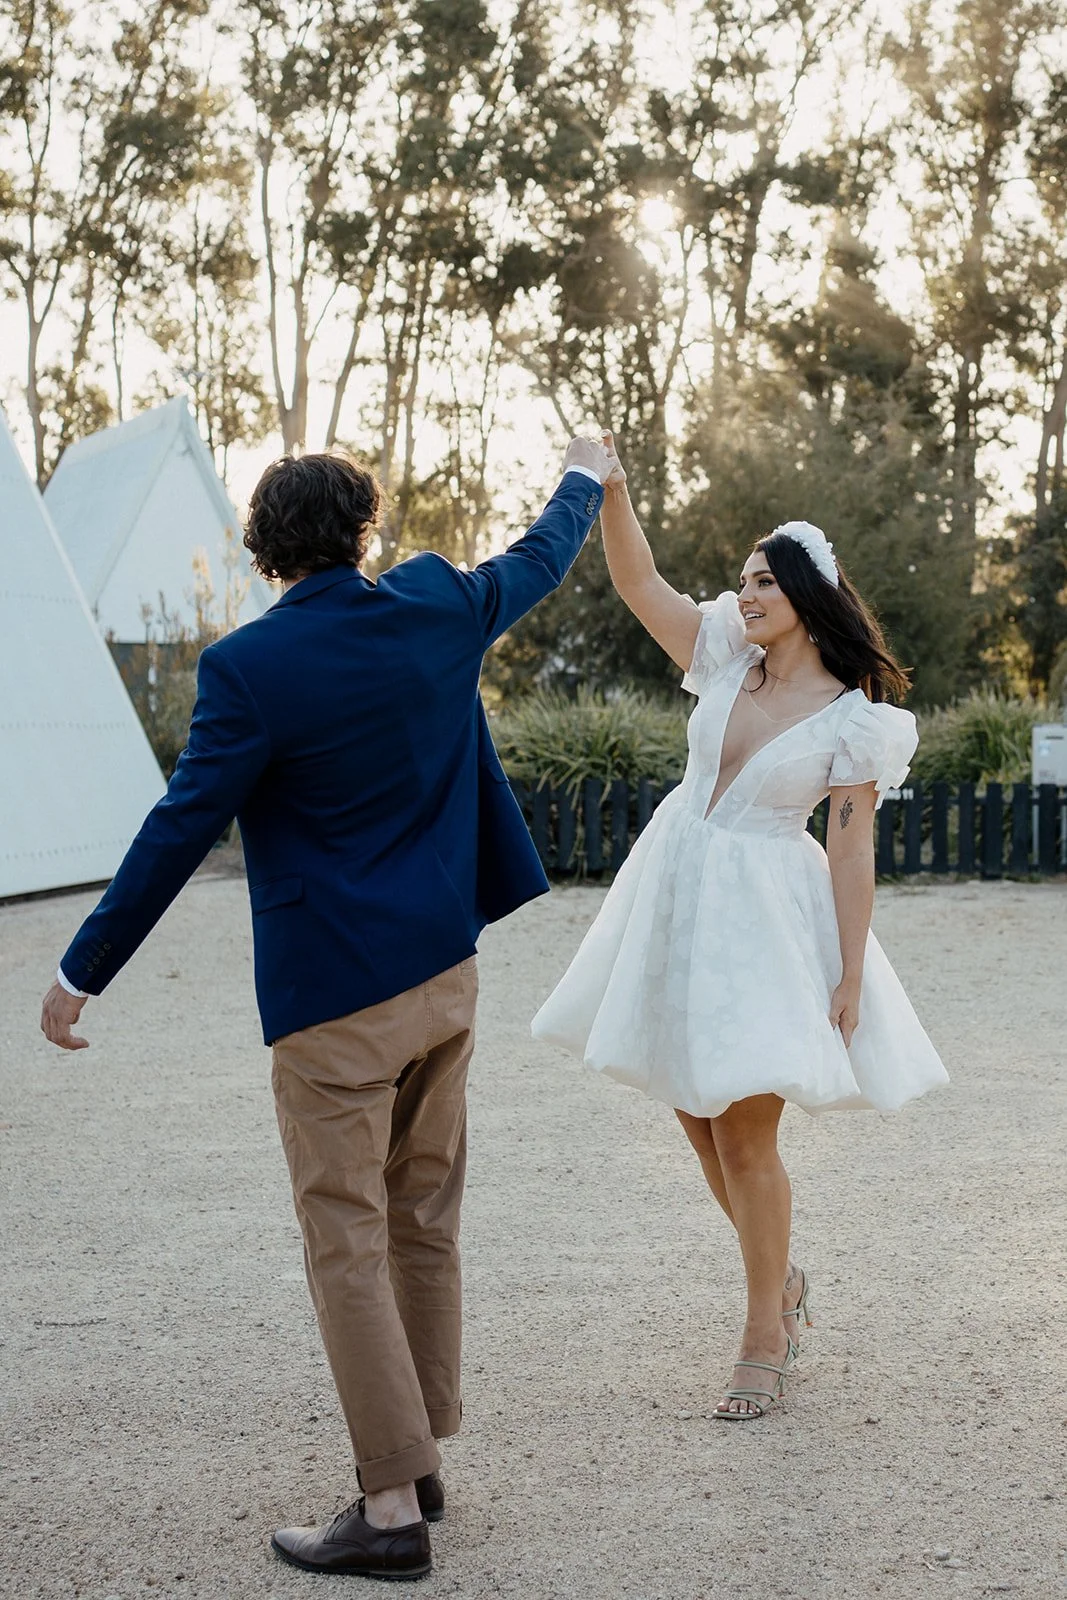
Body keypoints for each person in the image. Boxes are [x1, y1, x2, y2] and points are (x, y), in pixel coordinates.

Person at [39, 436, 612, 1579]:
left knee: (345, 1238)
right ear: (364, 530)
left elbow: (180, 825)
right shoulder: (439, 602)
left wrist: (81, 968)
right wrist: (583, 477)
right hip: (447, 973)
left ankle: (391, 1506)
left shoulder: (249, 667)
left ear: (261, 549)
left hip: (334, 999)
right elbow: (539, 556)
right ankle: (423, 1450)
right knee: (423, 1213)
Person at [532, 432, 948, 1421]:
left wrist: (847, 972)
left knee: (745, 1130)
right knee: (693, 1113)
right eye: (743, 579)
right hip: (676, 894)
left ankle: (763, 1329)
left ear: (806, 595)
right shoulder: (723, 655)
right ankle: (783, 1278)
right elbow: (640, 586)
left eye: (763, 581)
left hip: (761, 918)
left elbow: (848, 849)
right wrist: (615, 490)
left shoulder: (853, 719)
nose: (745, 593)